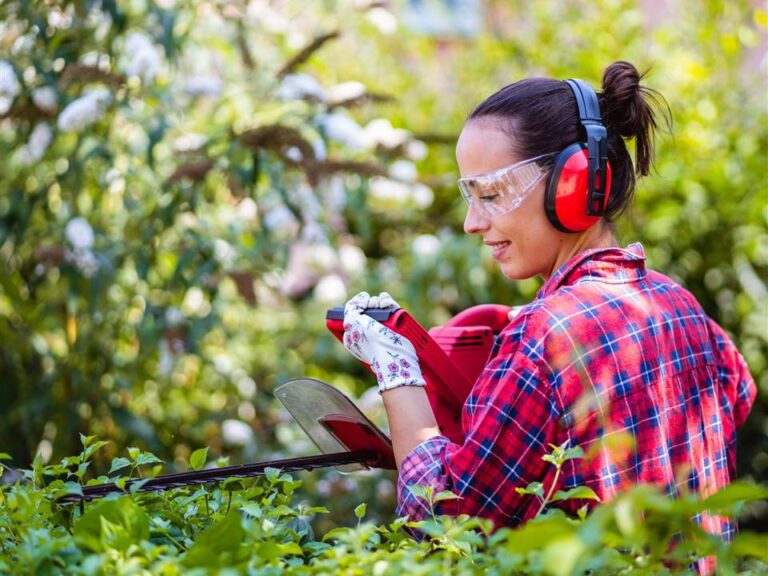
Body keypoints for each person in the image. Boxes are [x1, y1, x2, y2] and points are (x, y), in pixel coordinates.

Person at [341, 61, 756, 567]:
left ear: (575, 184)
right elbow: (737, 391)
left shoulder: (543, 338)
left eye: (491, 194)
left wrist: (398, 371)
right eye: (469, 195)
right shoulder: (677, 304)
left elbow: (447, 525)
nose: (473, 222)